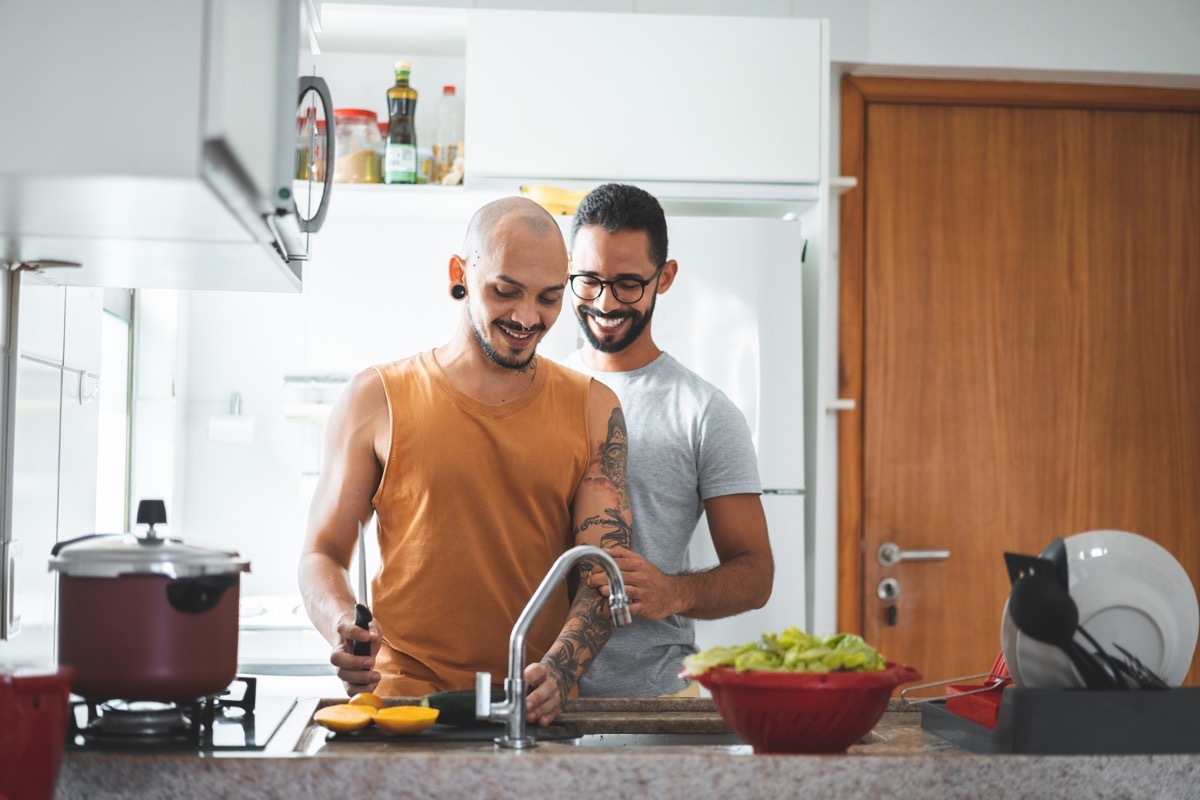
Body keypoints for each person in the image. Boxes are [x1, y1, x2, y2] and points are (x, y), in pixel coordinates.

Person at [298, 196, 632, 727]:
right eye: (506, 291)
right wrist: (341, 622)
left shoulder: (594, 408)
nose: (528, 317)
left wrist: (563, 669)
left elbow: (602, 569)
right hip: (401, 707)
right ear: (459, 274)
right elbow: (322, 551)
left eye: (549, 298)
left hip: (532, 708)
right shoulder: (376, 397)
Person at [562, 183, 774, 697]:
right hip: (534, 698)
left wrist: (673, 592)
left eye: (629, 284)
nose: (605, 303)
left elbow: (756, 573)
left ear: (666, 277)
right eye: (588, 281)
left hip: (655, 701)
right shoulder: (536, 389)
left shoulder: (704, 412)